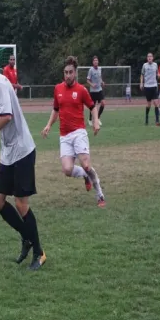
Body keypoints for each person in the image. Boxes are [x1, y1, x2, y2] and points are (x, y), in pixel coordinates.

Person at [0, 46, 46, 271]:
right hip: (9, 153)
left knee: (21, 204)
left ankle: (39, 253)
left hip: (22, 151)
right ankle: (26, 237)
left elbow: (6, 116)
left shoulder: (1, 85)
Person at [41, 56, 106, 208]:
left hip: (79, 133)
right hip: (64, 135)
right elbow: (56, 110)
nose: (68, 75)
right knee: (67, 169)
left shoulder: (81, 90)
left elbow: (92, 107)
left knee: (86, 164)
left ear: (75, 73)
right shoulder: (58, 89)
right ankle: (85, 176)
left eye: (71, 72)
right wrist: (48, 125)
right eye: (66, 72)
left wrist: (95, 121)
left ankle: (100, 194)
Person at [140, 52, 160, 126]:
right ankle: (146, 118)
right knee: (148, 104)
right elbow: (142, 75)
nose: (149, 58)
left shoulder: (155, 65)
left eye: (151, 56)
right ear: (147, 58)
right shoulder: (144, 65)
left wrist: (159, 76)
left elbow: (157, 74)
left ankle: (157, 120)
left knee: (156, 103)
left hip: (154, 86)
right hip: (147, 87)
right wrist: (141, 83)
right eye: (148, 56)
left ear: (153, 58)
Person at [86, 56, 105, 126]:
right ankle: (90, 119)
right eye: (94, 60)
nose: (96, 61)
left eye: (96, 60)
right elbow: (87, 80)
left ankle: (98, 118)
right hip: (93, 91)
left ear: (98, 61)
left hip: (99, 89)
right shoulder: (91, 70)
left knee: (103, 103)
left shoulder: (100, 69)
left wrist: (102, 82)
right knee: (92, 106)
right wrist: (91, 84)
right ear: (92, 62)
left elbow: (100, 78)